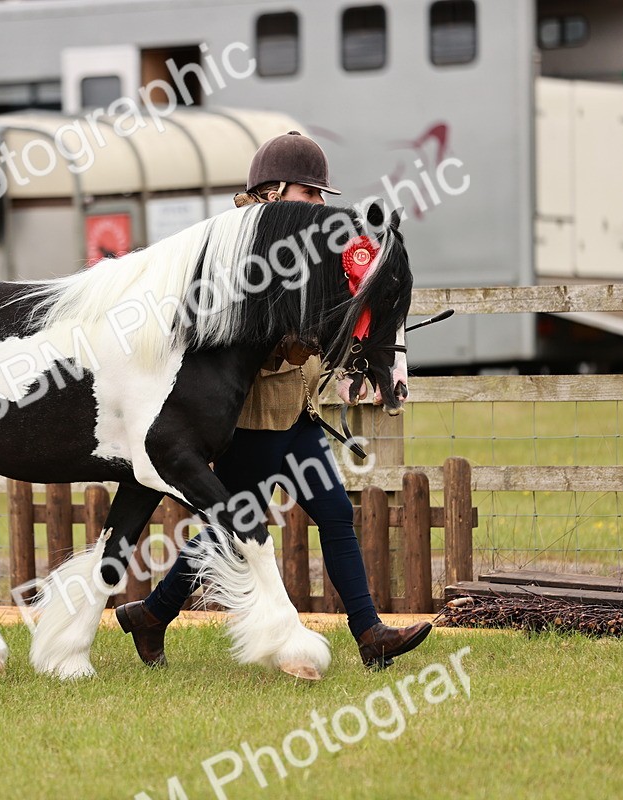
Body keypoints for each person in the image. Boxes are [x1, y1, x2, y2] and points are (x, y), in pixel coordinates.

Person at [114, 131, 431, 671]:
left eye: (320, 197)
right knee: (232, 528)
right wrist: (290, 344)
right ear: (271, 191)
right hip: (255, 420)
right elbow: (234, 344)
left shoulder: (310, 248)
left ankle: (369, 633)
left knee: (330, 514)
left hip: (299, 416)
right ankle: (155, 614)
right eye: (309, 195)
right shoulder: (240, 247)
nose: (319, 206)